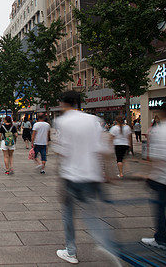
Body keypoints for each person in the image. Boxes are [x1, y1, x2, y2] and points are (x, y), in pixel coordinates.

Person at [54, 91, 112, 264]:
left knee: (68, 214)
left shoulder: (62, 122)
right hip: (92, 176)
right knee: (91, 215)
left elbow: (62, 152)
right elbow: (102, 149)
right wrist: (107, 173)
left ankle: (71, 251)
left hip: (71, 176)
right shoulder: (93, 120)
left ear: (64, 104)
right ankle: (106, 245)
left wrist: (59, 178)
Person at [141, 102, 166, 250]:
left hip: (163, 178)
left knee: (160, 207)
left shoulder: (160, 130)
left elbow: (159, 157)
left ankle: (160, 238)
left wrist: (151, 174)